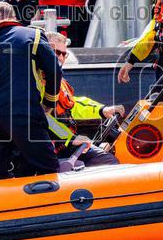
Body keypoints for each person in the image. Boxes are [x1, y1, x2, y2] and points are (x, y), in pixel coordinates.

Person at [0, 1, 62, 180]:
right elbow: (54, 71)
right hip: (23, 114)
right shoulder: (33, 35)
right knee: (48, 168)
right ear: (13, 16)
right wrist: (48, 103)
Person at [44, 31, 122, 168]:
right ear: (44, 52)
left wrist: (102, 110)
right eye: (56, 52)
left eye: (64, 54)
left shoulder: (60, 82)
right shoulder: (35, 82)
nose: (60, 57)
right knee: (110, 163)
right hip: (51, 150)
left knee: (109, 157)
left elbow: (74, 106)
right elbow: (43, 118)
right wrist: (70, 138)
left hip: (66, 145)